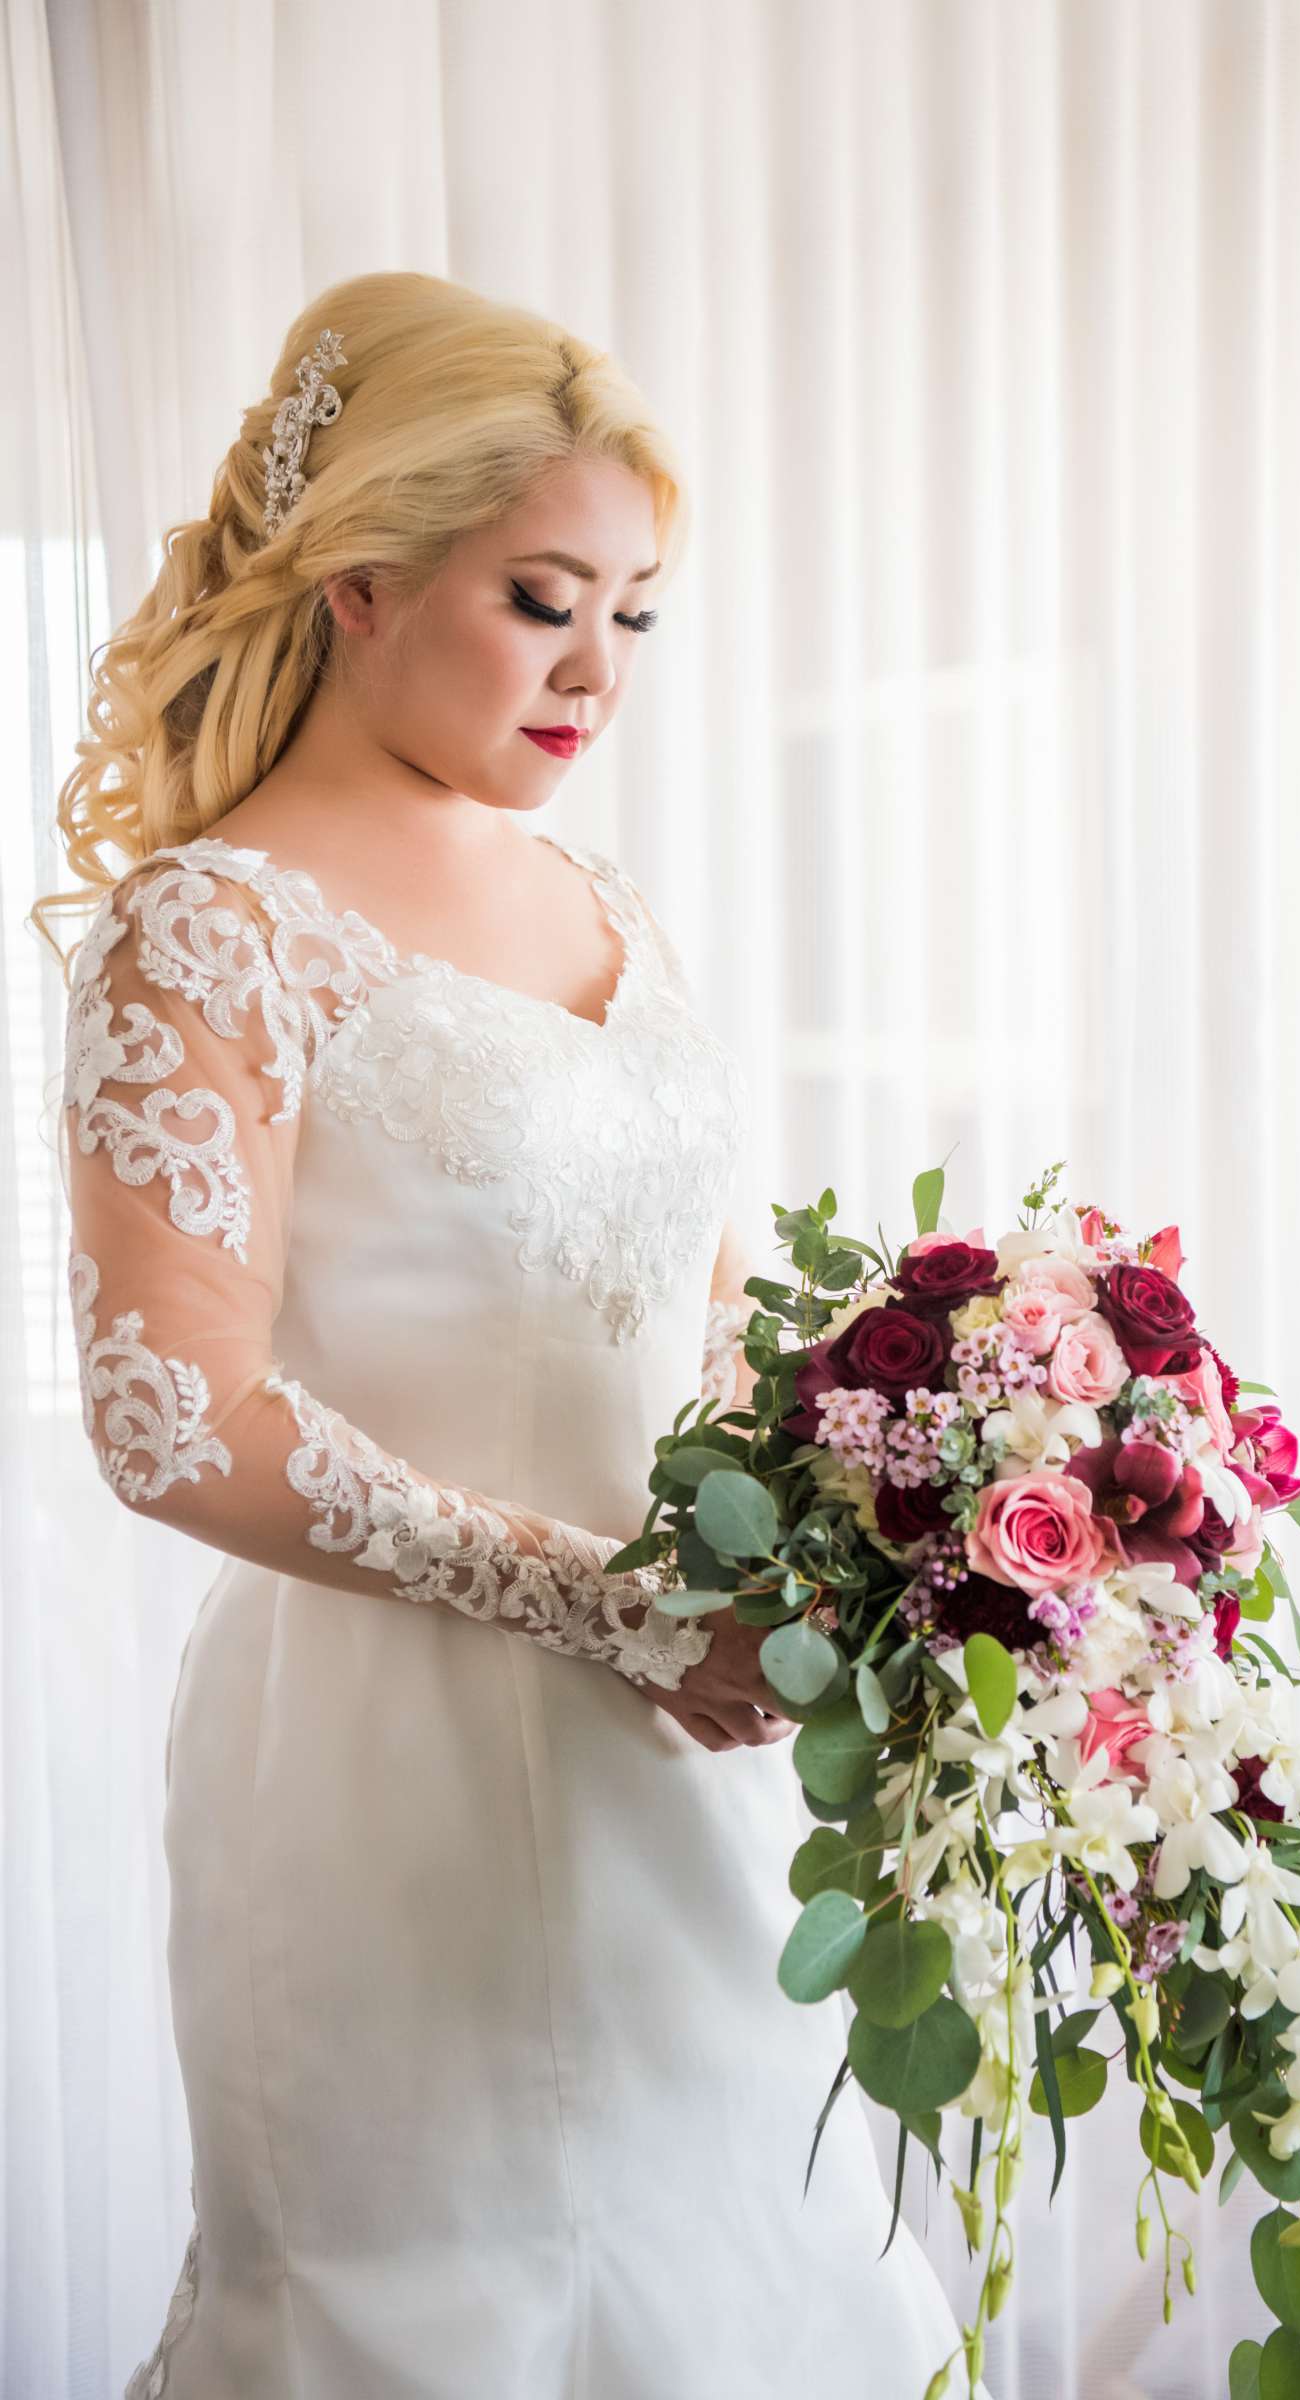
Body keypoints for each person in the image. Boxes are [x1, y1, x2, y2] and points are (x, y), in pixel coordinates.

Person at [37, 272, 988, 2400]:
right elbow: (164, 1416)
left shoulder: (607, 899)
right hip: (391, 1764)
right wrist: (603, 1609)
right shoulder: (212, 923)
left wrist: (845, 1550)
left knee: (764, 2267)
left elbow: (702, 1313)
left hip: (703, 1739)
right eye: (543, 596)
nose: (597, 668)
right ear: (364, 576)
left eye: (636, 612)